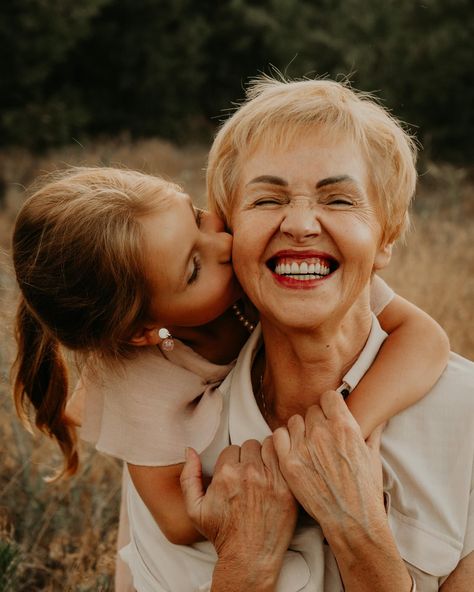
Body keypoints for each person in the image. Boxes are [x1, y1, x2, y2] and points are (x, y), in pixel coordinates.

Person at [11, 165, 448, 591]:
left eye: (198, 217)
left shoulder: (275, 270)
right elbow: (178, 522)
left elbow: (424, 337)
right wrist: (294, 482)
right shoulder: (136, 383)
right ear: (144, 331)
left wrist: (342, 430)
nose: (222, 244)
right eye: (194, 268)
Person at [178, 75, 474, 590]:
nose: (300, 223)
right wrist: (243, 567)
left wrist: (359, 533)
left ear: (387, 236)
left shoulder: (467, 419)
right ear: (230, 235)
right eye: (266, 200)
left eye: (338, 200)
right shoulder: (176, 436)